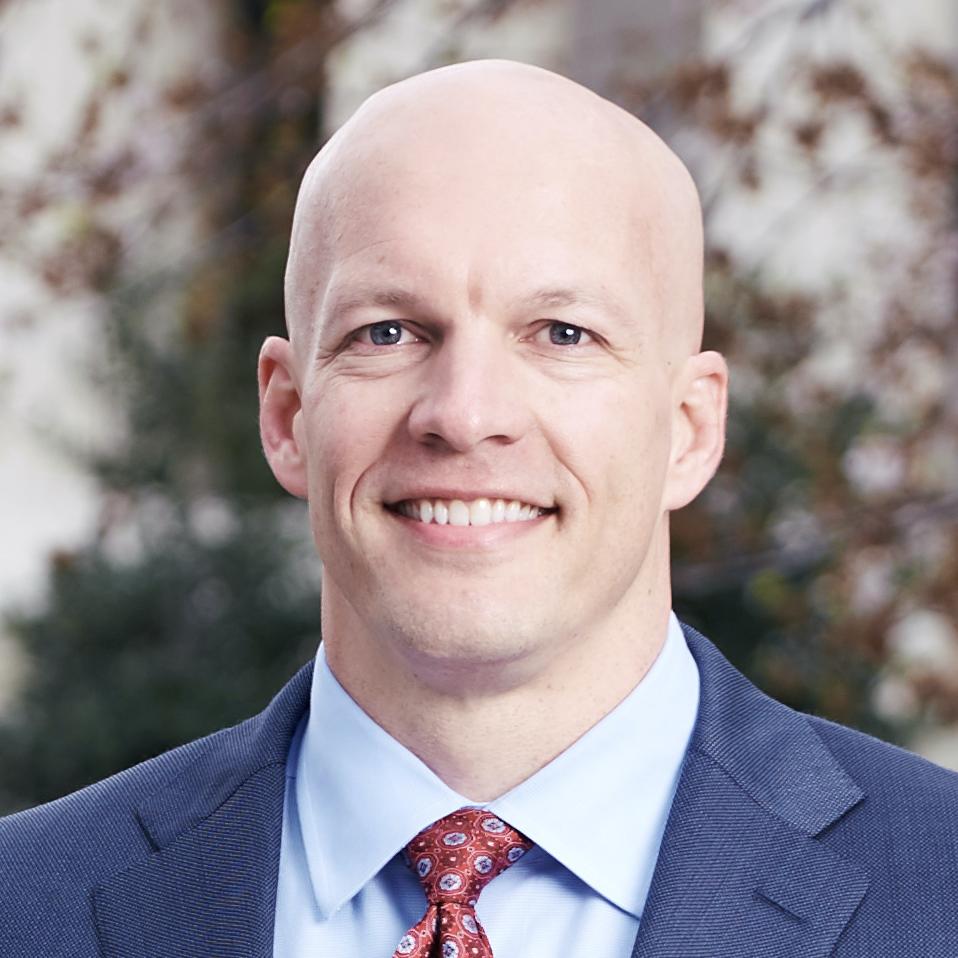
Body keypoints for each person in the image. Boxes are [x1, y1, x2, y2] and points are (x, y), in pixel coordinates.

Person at [1, 59, 956, 958]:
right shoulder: (26, 904)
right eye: (387, 332)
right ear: (288, 417)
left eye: (562, 333)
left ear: (689, 430)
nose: (464, 415)